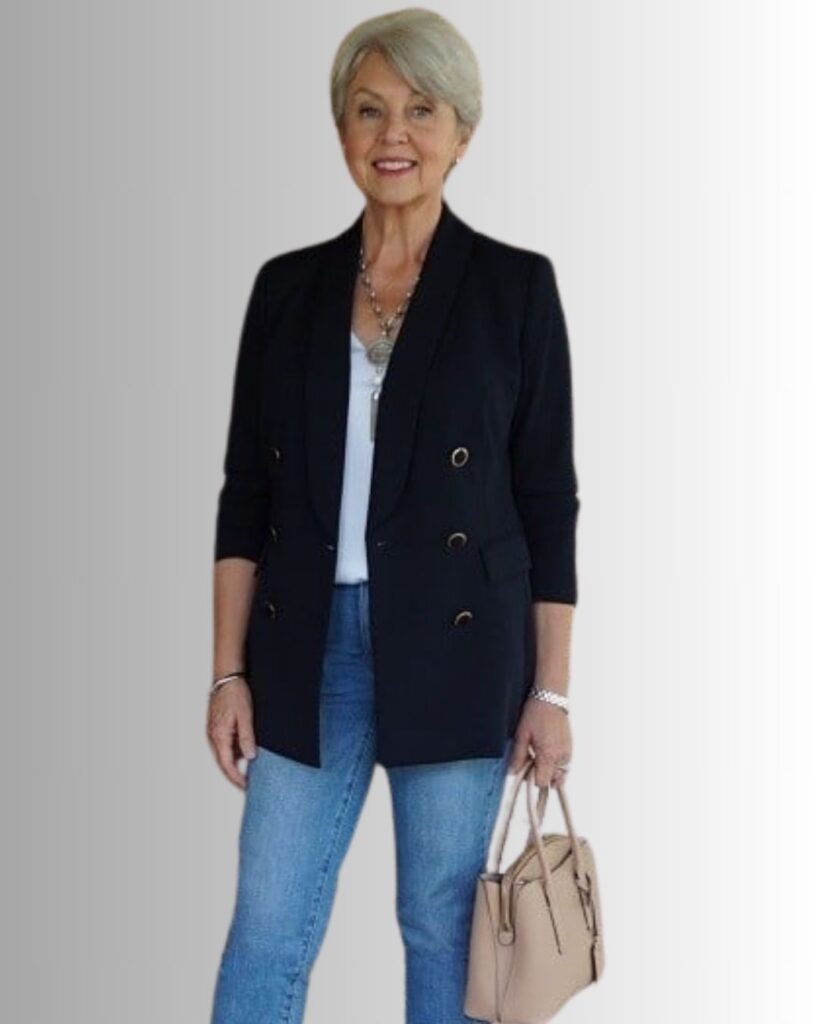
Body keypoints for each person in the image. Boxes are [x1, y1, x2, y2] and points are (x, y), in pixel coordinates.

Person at [208, 9, 580, 1023]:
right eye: (369, 110)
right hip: (305, 646)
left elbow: (548, 502)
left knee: (441, 926)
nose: (393, 135)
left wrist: (551, 690)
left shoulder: (514, 289)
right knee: (268, 927)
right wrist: (228, 671)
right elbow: (246, 494)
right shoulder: (287, 290)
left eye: (421, 110)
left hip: (458, 649)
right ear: (341, 130)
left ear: (462, 132)